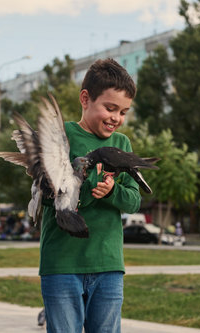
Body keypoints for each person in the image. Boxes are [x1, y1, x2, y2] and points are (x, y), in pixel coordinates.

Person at [40, 58, 141, 333]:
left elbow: (134, 199)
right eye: (110, 108)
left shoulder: (121, 143)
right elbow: (46, 197)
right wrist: (73, 186)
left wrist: (112, 191)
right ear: (85, 98)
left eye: (123, 112)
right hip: (62, 263)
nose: (116, 118)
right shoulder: (63, 137)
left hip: (108, 263)